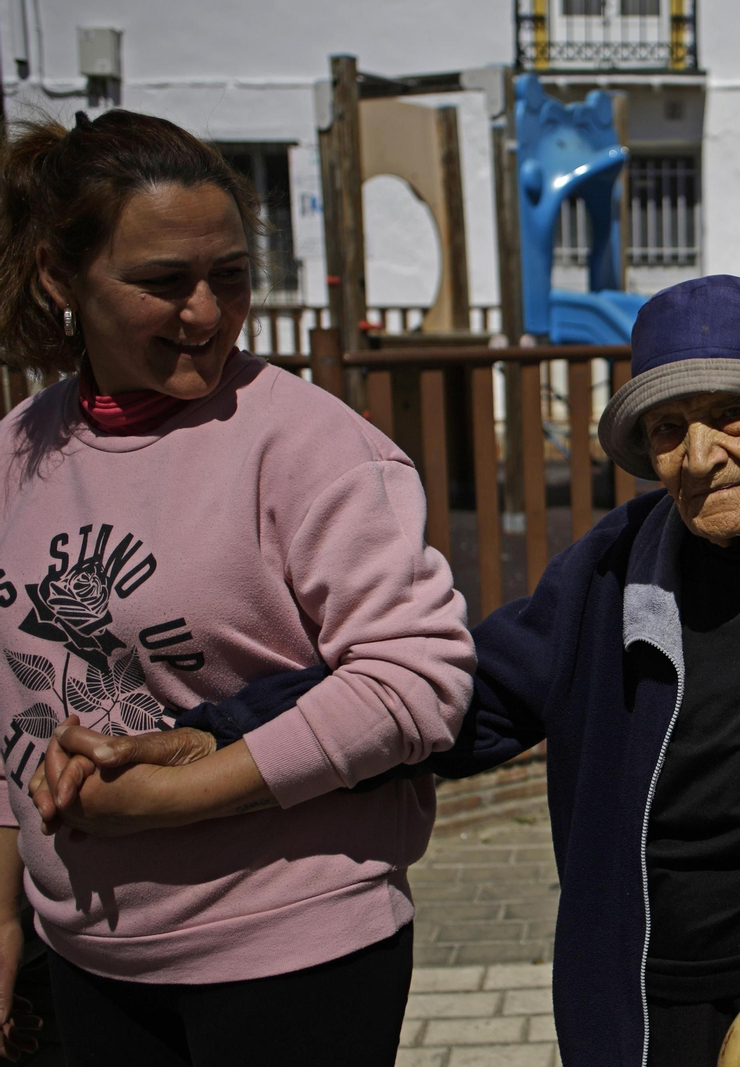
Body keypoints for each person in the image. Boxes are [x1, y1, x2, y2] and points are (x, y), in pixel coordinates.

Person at [38, 275, 740, 1067]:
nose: (698, 456)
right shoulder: (617, 562)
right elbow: (451, 690)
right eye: (667, 428)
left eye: (733, 417)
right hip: (651, 1006)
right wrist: (217, 732)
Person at [0, 110, 475, 1066]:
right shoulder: (19, 449)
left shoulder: (311, 447)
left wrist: (170, 798)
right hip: (86, 956)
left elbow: (416, 684)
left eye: (230, 274)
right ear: (60, 276)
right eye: (163, 282)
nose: (207, 313)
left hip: (290, 956)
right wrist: (7, 922)